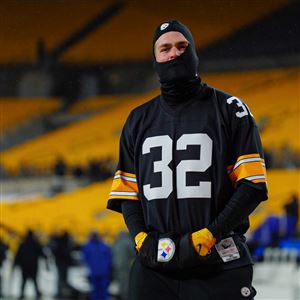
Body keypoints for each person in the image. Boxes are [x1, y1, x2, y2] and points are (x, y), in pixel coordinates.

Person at [107, 20, 268, 300]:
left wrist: (211, 233)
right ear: (156, 59)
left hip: (217, 264)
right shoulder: (138, 119)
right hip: (155, 266)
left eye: (182, 46)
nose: (174, 54)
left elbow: (252, 185)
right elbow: (127, 193)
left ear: (194, 53)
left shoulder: (230, 109)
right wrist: (140, 237)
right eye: (165, 48)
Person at [14, 230, 46, 299]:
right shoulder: (35, 243)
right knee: (34, 280)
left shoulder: (23, 244)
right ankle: (37, 294)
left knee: (24, 280)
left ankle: (21, 294)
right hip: (33, 266)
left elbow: (18, 255)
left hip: (24, 266)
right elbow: (41, 254)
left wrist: (15, 264)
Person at [81, 231, 112, 300]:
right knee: (103, 291)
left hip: (94, 272)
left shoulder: (87, 247)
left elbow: (84, 259)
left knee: (95, 291)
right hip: (104, 272)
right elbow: (110, 259)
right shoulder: (104, 246)